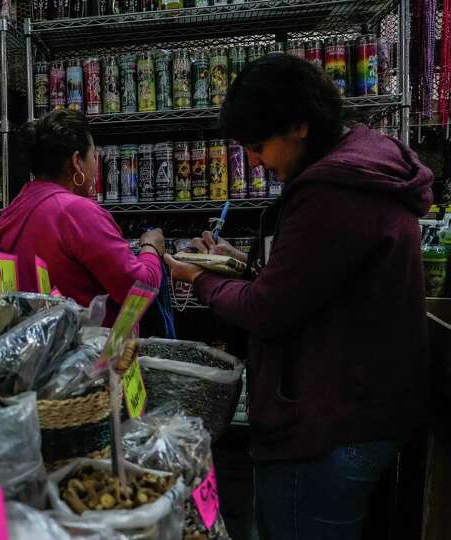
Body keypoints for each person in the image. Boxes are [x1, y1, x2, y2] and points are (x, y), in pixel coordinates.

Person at [164, 54, 434, 540]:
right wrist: (236, 263)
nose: (252, 161)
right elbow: (317, 282)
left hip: (327, 427)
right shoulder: (359, 172)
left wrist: (197, 280)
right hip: (358, 415)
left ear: (298, 126)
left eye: (258, 145)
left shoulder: (332, 193)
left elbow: (268, 309)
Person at [0, 110, 165, 326]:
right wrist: (151, 248)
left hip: (36, 348)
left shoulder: (14, 209)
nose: (96, 163)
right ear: (77, 161)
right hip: (84, 351)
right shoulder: (76, 211)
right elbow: (139, 289)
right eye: (93, 155)